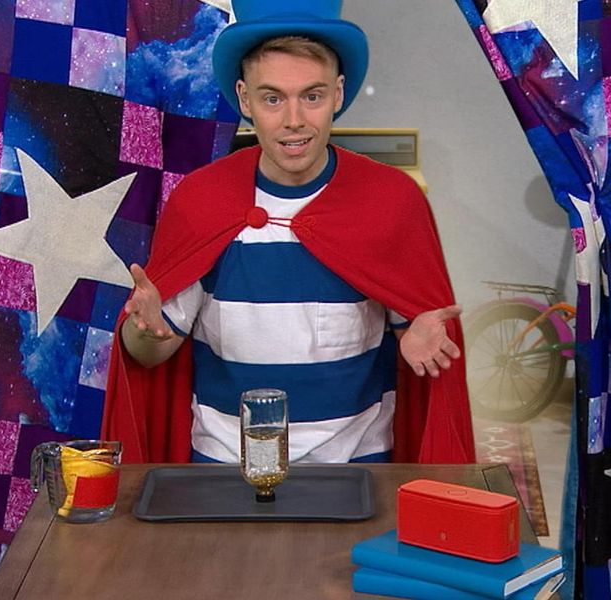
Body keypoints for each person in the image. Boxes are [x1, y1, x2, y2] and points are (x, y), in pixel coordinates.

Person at [102, 0, 474, 464]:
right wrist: (144, 331)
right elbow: (151, 354)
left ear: (338, 94)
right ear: (245, 100)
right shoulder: (201, 200)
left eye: (312, 96)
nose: (294, 119)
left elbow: (419, 335)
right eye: (273, 98)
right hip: (222, 475)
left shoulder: (391, 200)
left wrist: (420, 341)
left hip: (355, 476)